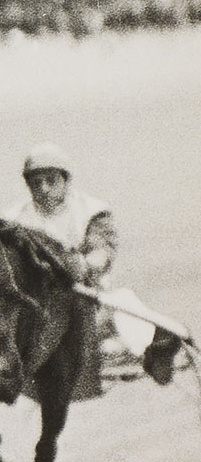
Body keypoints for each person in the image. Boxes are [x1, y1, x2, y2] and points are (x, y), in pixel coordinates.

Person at [12, 144, 180, 383]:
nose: (43, 189)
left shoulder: (91, 211)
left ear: (65, 180)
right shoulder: (16, 218)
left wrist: (85, 264)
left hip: (87, 298)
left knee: (122, 299)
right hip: (39, 304)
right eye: (35, 183)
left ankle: (151, 350)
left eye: (50, 180)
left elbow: (102, 249)